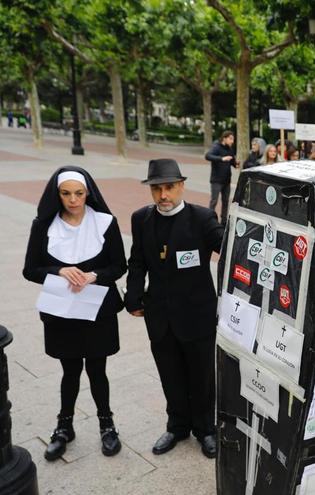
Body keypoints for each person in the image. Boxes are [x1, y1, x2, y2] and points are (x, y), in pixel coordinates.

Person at [23, 167, 127, 460]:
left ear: (88, 193)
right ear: (57, 194)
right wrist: (59, 270)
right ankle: (64, 427)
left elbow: (119, 266)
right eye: (66, 193)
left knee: (97, 369)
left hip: (97, 310)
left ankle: (107, 426)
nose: (73, 200)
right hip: (62, 311)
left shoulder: (105, 223)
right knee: (69, 371)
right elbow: (30, 270)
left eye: (79, 193)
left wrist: (94, 275)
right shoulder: (44, 226)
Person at [125, 159, 224, 458]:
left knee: (202, 375)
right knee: (170, 373)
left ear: (181, 186)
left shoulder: (203, 218)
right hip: (160, 315)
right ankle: (177, 425)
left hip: (197, 314)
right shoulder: (141, 219)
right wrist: (133, 296)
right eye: (157, 189)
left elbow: (231, 249)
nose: (163, 195)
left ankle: (206, 429)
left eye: (169, 187)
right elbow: (138, 261)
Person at [204, 130, 238, 225]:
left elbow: (232, 161)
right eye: (231, 139)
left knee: (226, 201)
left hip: (227, 180)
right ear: (224, 138)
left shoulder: (230, 149)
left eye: (233, 139)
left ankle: (223, 221)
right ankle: (209, 219)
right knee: (214, 201)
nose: (232, 141)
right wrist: (221, 159)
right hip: (216, 180)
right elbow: (207, 156)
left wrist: (236, 164)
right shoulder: (216, 147)